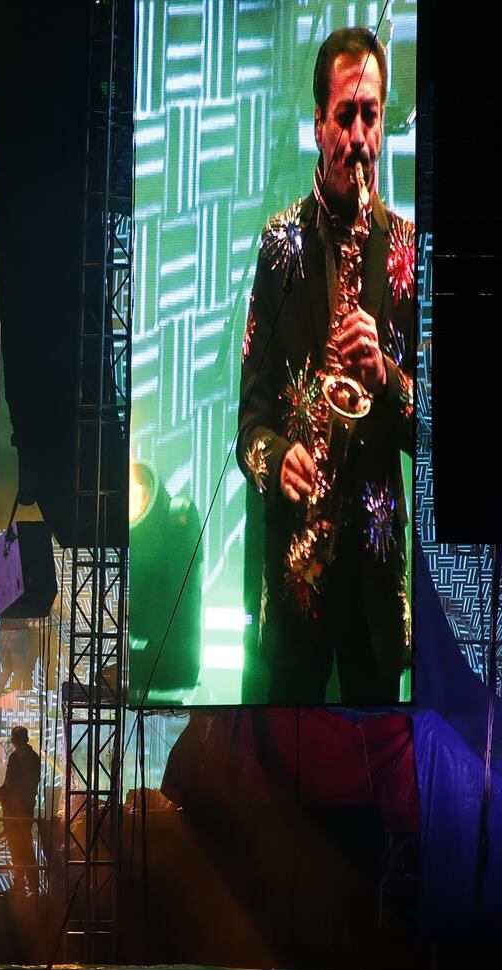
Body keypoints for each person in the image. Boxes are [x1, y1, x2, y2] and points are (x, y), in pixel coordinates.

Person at [235, 27, 418, 704]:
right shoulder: (279, 246)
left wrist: (388, 378)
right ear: (318, 124)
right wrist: (278, 456)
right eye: (344, 116)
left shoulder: (405, 252)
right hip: (296, 581)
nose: (358, 138)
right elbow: (248, 427)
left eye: (370, 115)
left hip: (374, 589)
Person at [0, 726, 42, 895]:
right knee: (26, 846)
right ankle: (32, 884)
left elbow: (10, 784)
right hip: (27, 808)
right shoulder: (35, 757)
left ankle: (19, 885)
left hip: (15, 810)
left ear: (14, 740)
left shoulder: (16, 757)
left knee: (17, 847)